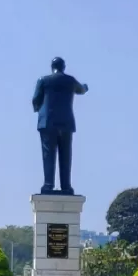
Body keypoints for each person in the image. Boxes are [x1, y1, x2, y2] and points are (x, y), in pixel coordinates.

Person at [32, 57, 88, 194]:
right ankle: (66, 185)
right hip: (66, 122)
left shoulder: (43, 80)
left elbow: (35, 100)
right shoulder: (70, 81)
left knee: (48, 154)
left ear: (52, 67)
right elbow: (81, 89)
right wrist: (85, 87)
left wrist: (40, 109)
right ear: (64, 67)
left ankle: (48, 184)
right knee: (66, 154)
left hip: (47, 122)